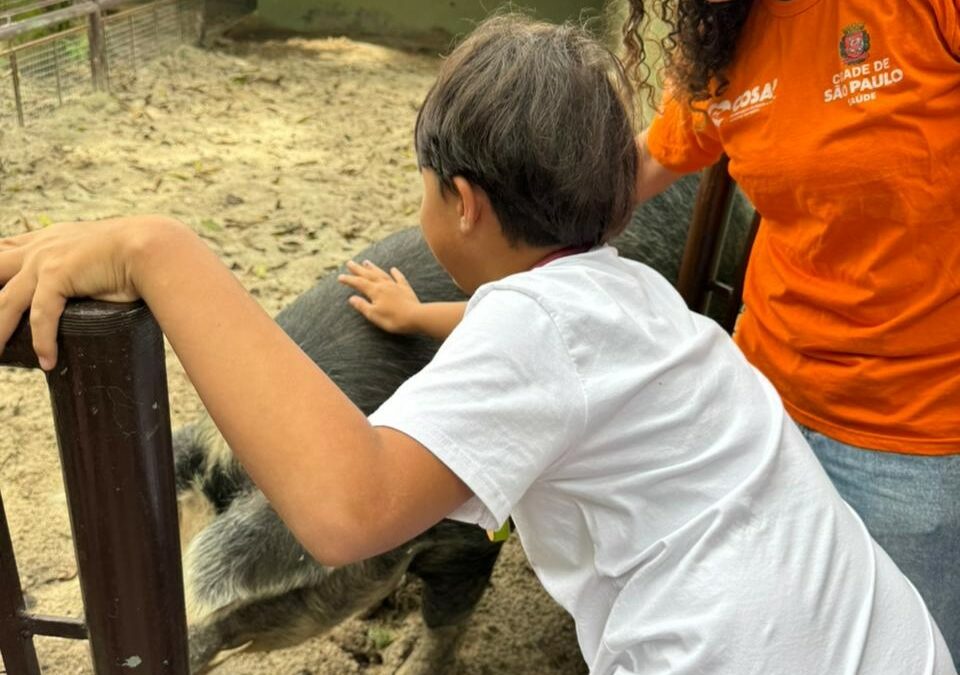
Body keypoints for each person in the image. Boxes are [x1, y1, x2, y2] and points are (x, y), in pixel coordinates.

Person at [0, 14, 954, 675]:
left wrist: (159, 251)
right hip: (880, 639)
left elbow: (345, 509)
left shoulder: (534, 332)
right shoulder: (633, 299)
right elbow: (555, 358)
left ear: (460, 201)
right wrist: (421, 319)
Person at [620, 0, 960, 665]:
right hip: (763, 409)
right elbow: (652, 160)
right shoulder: (722, 23)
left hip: (912, 437)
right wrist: (517, 232)